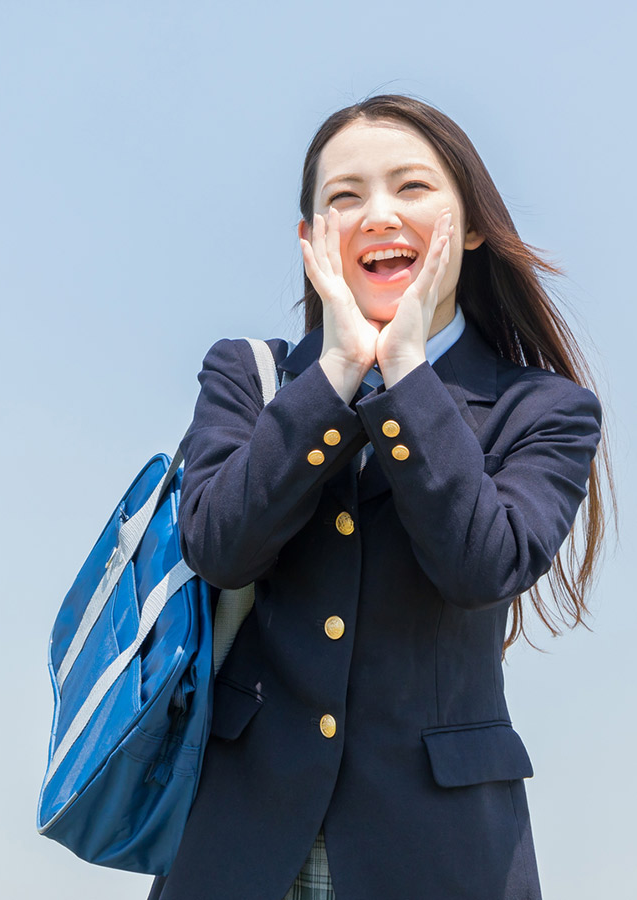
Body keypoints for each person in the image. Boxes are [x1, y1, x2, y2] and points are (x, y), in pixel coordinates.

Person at [146, 95, 611, 900]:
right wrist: (331, 377)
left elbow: (481, 566)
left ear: (469, 225)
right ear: (311, 240)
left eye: (412, 188)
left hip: (440, 851)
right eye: (345, 197)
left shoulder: (546, 409)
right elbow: (219, 546)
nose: (379, 213)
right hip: (240, 846)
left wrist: (405, 373)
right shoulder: (250, 378)